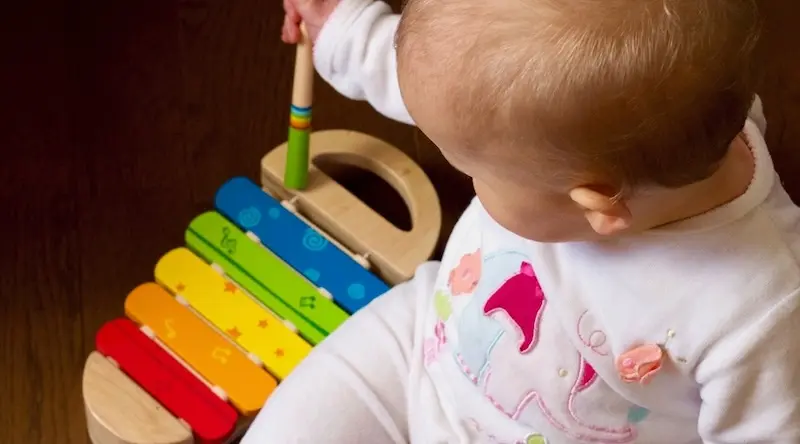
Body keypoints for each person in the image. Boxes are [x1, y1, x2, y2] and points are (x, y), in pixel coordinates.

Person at [241, 0, 800, 442]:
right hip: (425, 351)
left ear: (596, 206)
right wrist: (344, 28)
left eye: (476, 173)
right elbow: (464, 86)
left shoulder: (760, 315)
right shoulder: (668, 113)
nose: (471, 180)